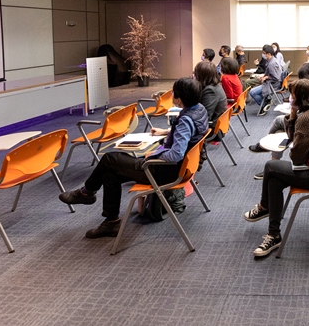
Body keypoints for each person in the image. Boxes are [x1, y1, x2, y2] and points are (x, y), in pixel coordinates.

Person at [59, 77, 209, 238]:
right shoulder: (199, 109)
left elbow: (176, 154)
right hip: (179, 169)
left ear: (180, 98)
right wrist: (167, 132)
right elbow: (189, 134)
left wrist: (156, 155)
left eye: (174, 93)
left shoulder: (185, 120)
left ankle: (86, 193)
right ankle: (110, 222)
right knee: (110, 174)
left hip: (162, 171)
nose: (172, 95)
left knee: (109, 159)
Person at [243, 79, 309, 257]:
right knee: (274, 181)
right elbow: (294, 139)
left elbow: (296, 158)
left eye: (292, 95)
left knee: (270, 166)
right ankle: (273, 234)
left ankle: (265, 207)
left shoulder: (308, 118)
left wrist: (295, 128)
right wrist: (292, 114)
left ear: (301, 97)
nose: (290, 98)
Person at [248, 63, 309, 180]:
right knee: (281, 126)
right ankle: (273, 162)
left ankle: (268, 152)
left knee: (280, 122)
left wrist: (293, 111)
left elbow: (303, 105)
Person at [250, 44, 283, 113]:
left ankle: (264, 105)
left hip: (273, 85)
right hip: (271, 83)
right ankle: (266, 101)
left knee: (252, 92)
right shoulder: (272, 60)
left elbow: (276, 77)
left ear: (269, 54)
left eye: (264, 53)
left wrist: (266, 77)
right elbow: (271, 73)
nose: (263, 55)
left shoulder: (272, 63)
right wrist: (264, 76)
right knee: (255, 91)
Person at [194, 61, 226, 129]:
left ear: (200, 75)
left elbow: (205, 116)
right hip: (214, 123)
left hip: (211, 127)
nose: (194, 75)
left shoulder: (210, 91)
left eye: (195, 73)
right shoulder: (216, 86)